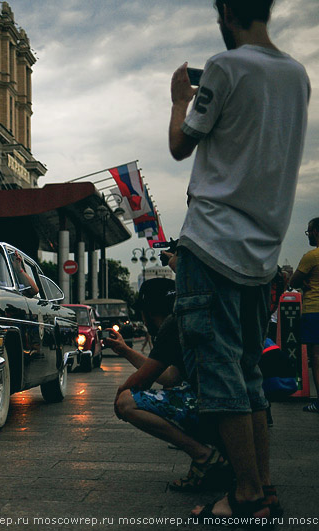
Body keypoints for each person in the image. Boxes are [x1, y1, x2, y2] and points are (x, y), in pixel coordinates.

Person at [168, 0, 309, 520]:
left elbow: (181, 144)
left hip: (211, 244)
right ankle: (264, 489)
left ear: (225, 11)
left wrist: (179, 99)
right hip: (261, 254)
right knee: (248, 371)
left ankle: (245, 494)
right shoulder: (297, 76)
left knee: (219, 371)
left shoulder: (226, 67)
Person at [109, 278, 230, 492]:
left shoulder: (171, 325)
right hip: (226, 406)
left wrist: (120, 394)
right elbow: (169, 376)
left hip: (209, 407)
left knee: (127, 403)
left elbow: (142, 381)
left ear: (148, 311)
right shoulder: (185, 321)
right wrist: (126, 351)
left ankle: (204, 457)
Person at [289, 217, 319, 413]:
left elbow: (293, 281)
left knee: (316, 356)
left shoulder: (312, 256)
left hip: (314, 309)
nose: (308, 235)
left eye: (309, 232)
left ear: (316, 231)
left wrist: (305, 281)